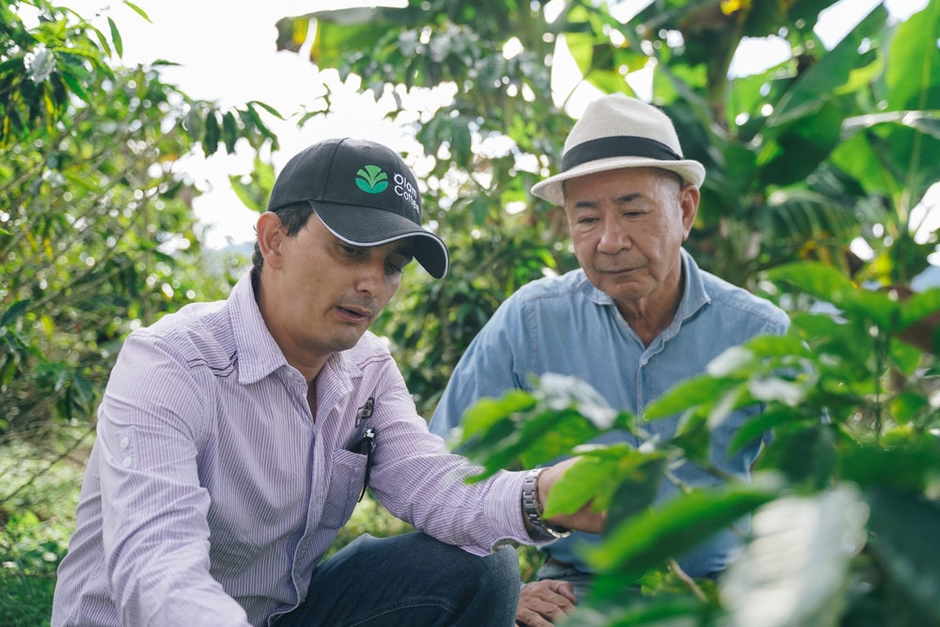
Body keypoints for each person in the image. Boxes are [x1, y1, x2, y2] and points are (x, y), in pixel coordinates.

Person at [51, 137, 604, 627]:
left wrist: (544, 495)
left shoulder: (367, 369)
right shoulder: (171, 364)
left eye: (393, 264)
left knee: (482, 568)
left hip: (280, 614)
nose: (371, 283)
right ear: (273, 240)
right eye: (350, 250)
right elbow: (158, 570)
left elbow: (429, 481)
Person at [429, 94, 790, 626]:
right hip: (573, 600)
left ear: (685, 210)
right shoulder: (530, 320)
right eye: (587, 218)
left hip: (719, 600)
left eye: (633, 211)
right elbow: (441, 472)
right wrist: (502, 591)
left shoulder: (760, 333)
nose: (610, 241)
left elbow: (813, 492)